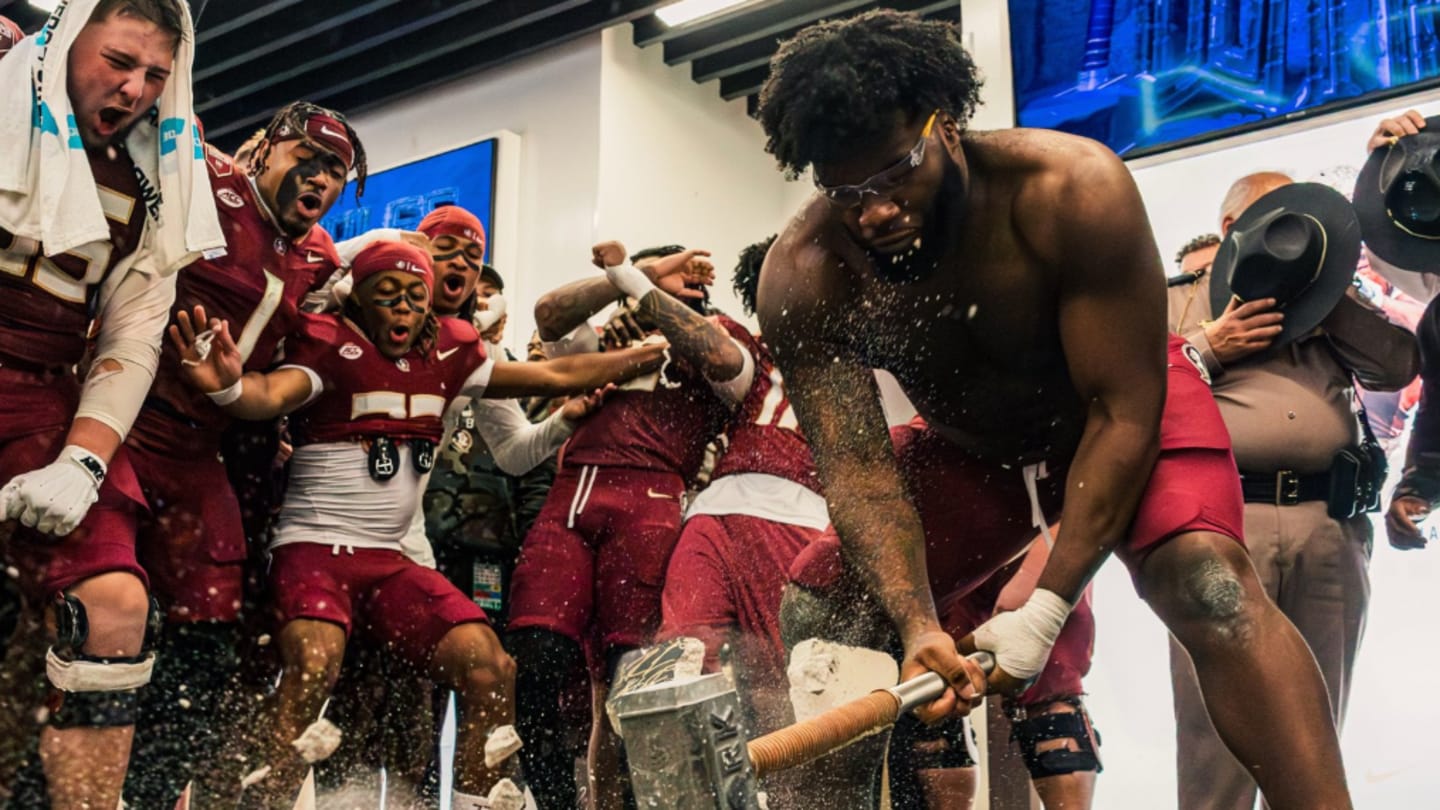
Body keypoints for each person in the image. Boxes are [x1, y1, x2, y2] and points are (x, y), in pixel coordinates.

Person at [753, 10, 1351, 808]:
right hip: (977, 449)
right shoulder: (806, 275)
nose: (876, 213)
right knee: (824, 610)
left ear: (951, 127)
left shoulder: (1070, 188)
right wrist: (920, 625)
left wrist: (1047, 603)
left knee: (1208, 586)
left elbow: (1123, 415)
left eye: (898, 174)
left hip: (1117, 406)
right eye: (847, 191)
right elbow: (860, 473)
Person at [169, 239, 665, 809]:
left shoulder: (451, 355)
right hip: (315, 550)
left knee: (489, 666)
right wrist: (228, 386)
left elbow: (555, 375)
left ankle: (474, 804)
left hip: (392, 561)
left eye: (413, 298)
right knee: (314, 665)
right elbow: (266, 393)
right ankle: (257, 803)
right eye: (387, 296)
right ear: (358, 301)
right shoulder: (331, 346)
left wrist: (644, 357)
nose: (403, 310)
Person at [0, 1, 220, 806]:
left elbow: (131, 336)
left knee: (116, 606)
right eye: (118, 62)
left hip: (44, 401)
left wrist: (84, 460)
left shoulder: (156, 174)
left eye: (155, 74)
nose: (134, 89)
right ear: (67, 44)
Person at [122, 100, 360, 808]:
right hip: (122, 422)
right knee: (91, 604)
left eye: (336, 174)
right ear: (263, 147)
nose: (319, 180)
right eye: (308, 159)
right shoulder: (203, 178)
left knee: (207, 631)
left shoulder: (319, 255)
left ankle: (151, 790)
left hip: (204, 450)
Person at [1165, 175, 1418, 810]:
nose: (1294, 234)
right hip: (1221, 524)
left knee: (1315, 731)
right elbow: (1127, 393)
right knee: (1214, 736)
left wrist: (1326, 294)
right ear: (1230, 232)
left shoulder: (1329, 297)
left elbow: (1398, 364)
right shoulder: (1175, 301)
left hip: (1328, 527)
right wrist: (1207, 348)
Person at [515, 242, 748, 808]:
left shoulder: (722, 335)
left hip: (651, 504)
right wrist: (633, 276)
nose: (684, 282)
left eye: (691, 278)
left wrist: (651, 302)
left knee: (632, 686)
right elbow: (549, 313)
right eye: (672, 275)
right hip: (569, 498)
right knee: (536, 661)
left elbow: (725, 364)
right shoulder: (605, 335)